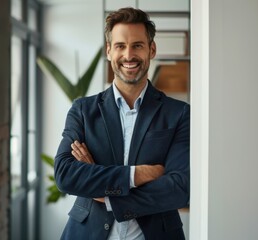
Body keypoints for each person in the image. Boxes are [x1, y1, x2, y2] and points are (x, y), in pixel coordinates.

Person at [54, 7, 190, 240]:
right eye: (120, 46)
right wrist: (136, 175)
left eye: (137, 45)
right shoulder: (83, 111)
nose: (129, 55)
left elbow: (179, 188)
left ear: (151, 50)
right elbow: (65, 174)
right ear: (109, 51)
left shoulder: (179, 113)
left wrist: (103, 192)